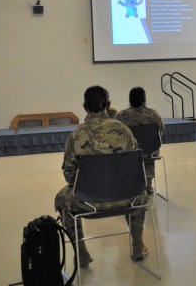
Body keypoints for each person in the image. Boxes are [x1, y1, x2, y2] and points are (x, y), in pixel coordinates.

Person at [54, 86, 149, 267]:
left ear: (84, 107)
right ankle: (138, 245)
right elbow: (137, 166)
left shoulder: (76, 135)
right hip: (127, 196)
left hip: (88, 201)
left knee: (61, 198)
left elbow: (69, 174)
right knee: (141, 193)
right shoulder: (124, 131)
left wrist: (92, 188)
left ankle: (81, 252)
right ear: (107, 105)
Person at [116, 87, 165, 194]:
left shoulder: (120, 116)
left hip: (129, 152)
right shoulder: (154, 115)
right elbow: (161, 131)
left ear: (129, 100)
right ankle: (148, 186)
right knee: (149, 149)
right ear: (144, 99)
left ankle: (131, 185)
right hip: (150, 151)